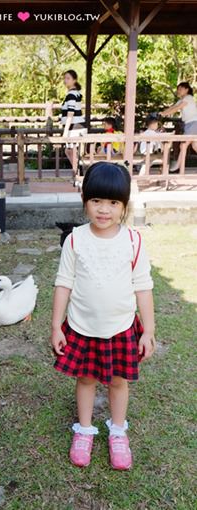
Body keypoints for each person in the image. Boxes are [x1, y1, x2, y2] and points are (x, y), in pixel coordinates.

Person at [50, 162, 155, 471]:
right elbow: (63, 283)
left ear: (124, 206)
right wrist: (56, 325)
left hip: (121, 328)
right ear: (85, 202)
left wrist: (147, 330)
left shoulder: (134, 241)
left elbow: (144, 288)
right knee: (85, 379)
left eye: (113, 202)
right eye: (96, 201)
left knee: (118, 382)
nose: (104, 209)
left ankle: (118, 432)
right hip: (81, 327)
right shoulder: (75, 240)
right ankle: (84, 431)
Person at [161, 81, 197, 172]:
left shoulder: (188, 98)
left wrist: (164, 114)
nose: (178, 91)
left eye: (180, 89)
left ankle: (177, 167)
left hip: (193, 123)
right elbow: (173, 107)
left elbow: (177, 108)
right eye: (178, 89)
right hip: (190, 124)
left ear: (186, 89)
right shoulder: (182, 100)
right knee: (195, 146)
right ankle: (177, 166)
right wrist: (162, 113)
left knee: (183, 145)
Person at [60, 70, 86, 180]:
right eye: (64, 78)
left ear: (74, 80)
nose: (65, 81)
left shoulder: (71, 94)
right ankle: (78, 174)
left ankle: (78, 175)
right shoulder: (76, 93)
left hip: (73, 126)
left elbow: (70, 113)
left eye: (68, 78)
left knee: (71, 151)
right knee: (72, 152)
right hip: (77, 125)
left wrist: (65, 131)